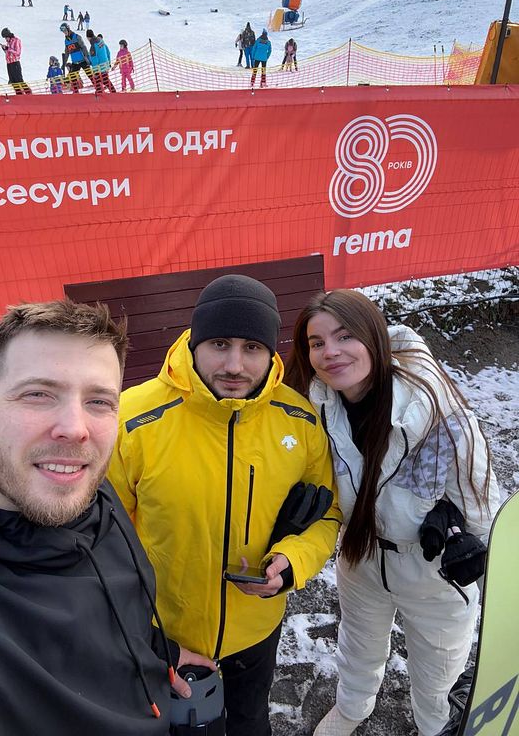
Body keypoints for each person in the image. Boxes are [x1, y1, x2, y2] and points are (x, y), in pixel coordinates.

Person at [0, 299, 214, 736]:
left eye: (98, 401)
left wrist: (159, 653)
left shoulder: (91, 493)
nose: (75, 428)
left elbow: (115, 610)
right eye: (38, 394)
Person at [109, 275, 341, 736]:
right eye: (219, 343)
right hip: (163, 633)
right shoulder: (131, 418)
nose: (235, 364)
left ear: (271, 353)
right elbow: (100, 534)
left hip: (256, 629)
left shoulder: (299, 419)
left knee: (251, 721)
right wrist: (148, 635)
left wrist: (292, 562)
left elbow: (327, 513)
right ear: (194, 343)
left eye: (252, 347)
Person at [284, 290, 500, 736]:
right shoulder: (314, 403)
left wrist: (472, 539)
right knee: (358, 648)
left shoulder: (429, 402)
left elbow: (477, 484)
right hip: (361, 555)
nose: (331, 352)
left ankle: (433, 725)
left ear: (373, 336)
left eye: (345, 336)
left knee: (438, 666)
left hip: (430, 566)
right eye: (317, 342)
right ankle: (352, 708)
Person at [60, 22, 91, 93]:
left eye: (65, 31)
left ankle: (99, 89)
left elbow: (84, 47)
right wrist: (64, 63)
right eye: (63, 31)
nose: (64, 33)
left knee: (90, 75)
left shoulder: (77, 37)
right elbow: (67, 53)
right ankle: (76, 92)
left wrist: (87, 57)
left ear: (68, 29)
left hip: (83, 60)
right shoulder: (66, 41)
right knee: (72, 77)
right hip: (75, 62)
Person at [0, 27, 31, 94]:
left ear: (9, 35)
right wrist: (5, 49)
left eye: (6, 37)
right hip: (9, 63)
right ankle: (19, 94)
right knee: (13, 80)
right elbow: (9, 53)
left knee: (19, 80)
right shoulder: (8, 42)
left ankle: (28, 93)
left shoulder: (16, 40)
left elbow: (17, 52)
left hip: (15, 63)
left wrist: (8, 48)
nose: (5, 39)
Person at [86, 29, 116, 93]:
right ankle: (107, 92)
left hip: (99, 68)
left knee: (102, 80)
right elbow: (107, 51)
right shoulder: (101, 41)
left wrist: (95, 71)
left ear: (88, 38)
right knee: (103, 80)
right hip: (105, 64)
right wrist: (108, 63)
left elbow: (95, 60)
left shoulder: (93, 46)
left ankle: (111, 93)